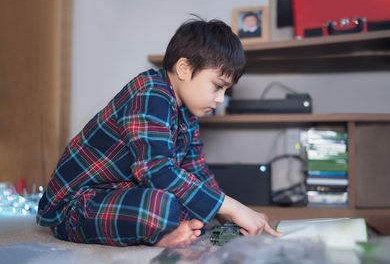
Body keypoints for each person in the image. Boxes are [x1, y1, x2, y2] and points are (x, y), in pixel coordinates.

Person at [36, 18, 282, 248]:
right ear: (184, 68)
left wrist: (231, 218)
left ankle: (167, 228)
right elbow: (155, 170)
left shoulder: (187, 114)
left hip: (121, 195)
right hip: (74, 207)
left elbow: (198, 172)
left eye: (226, 91)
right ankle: (160, 237)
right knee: (161, 207)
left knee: (196, 201)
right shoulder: (150, 91)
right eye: (217, 86)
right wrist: (232, 207)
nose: (220, 99)